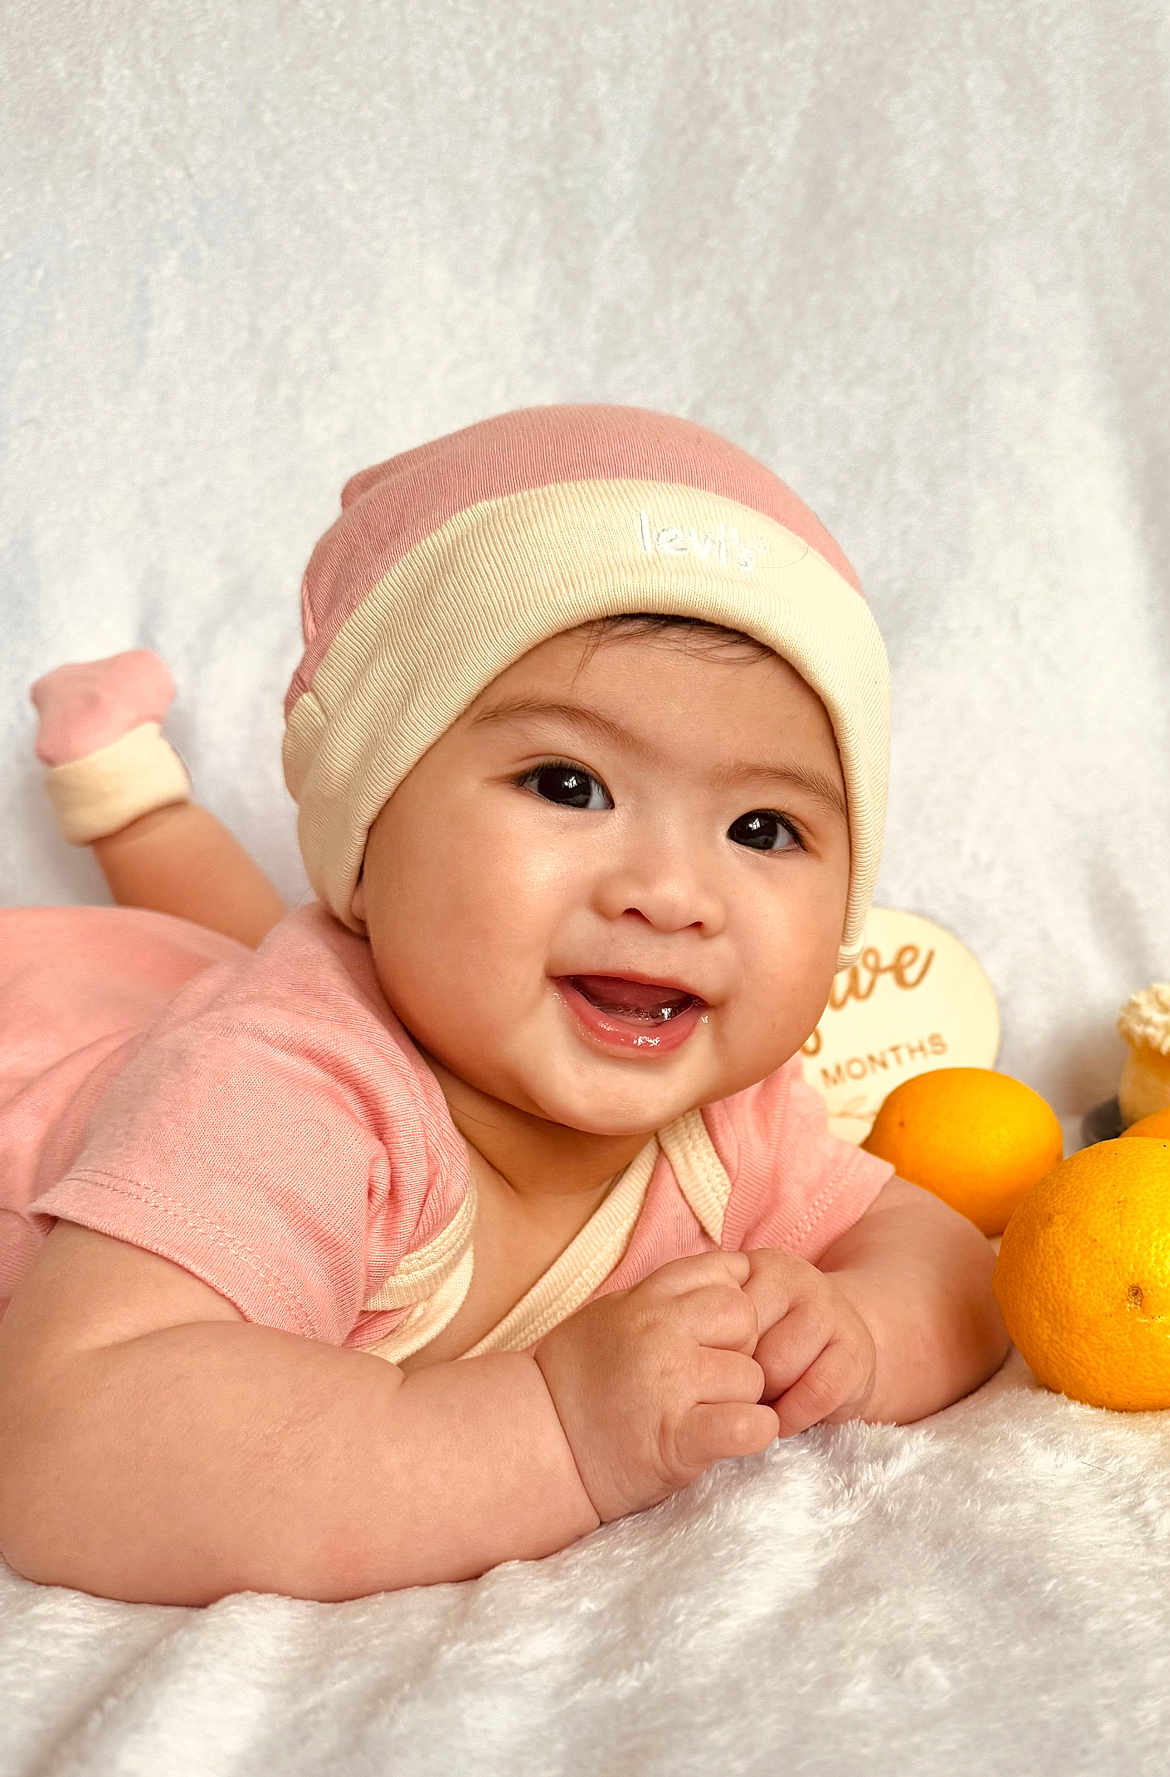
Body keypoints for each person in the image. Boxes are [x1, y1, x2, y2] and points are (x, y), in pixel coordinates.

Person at [0, 404, 1010, 1606]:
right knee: (237, 961)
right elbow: (70, 1454)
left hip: (209, 977)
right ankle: (123, 792)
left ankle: (124, 789)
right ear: (370, 830)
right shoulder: (286, 1090)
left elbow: (949, 1263)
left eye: (762, 828)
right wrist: (554, 1426)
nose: (671, 893)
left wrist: (849, 1334)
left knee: (231, 939)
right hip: (50, 1029)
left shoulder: (723, 1116)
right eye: (569, 784)